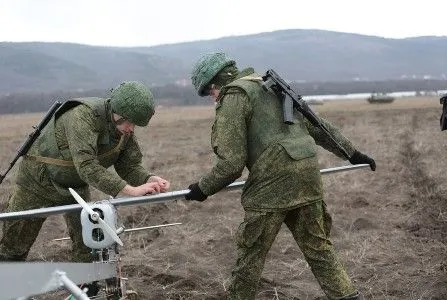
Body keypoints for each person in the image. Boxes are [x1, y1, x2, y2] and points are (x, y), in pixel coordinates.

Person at [185, 52, 376, 300]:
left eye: (209, 92)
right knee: (319, 249)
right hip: (307, 177)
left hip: (272, 184)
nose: (211, 97)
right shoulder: (271, 86)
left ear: (215, 83)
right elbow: (317, 125)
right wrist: (352, 153)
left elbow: (232, 163)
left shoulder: (234, 96)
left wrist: (203, 188)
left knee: (251, 255)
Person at [0, 81, 170, 265]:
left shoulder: (123, 131)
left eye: (135, 124)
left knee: (89, 243)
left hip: (75, 185)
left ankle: (86, 288)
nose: (131, 129)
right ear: (117, 112)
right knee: (14, 246)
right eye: (129, 122)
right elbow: (87, 166)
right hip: (38, 181)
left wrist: (148, 179)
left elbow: (129, 166)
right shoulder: (82, 115)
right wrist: (129, 190)